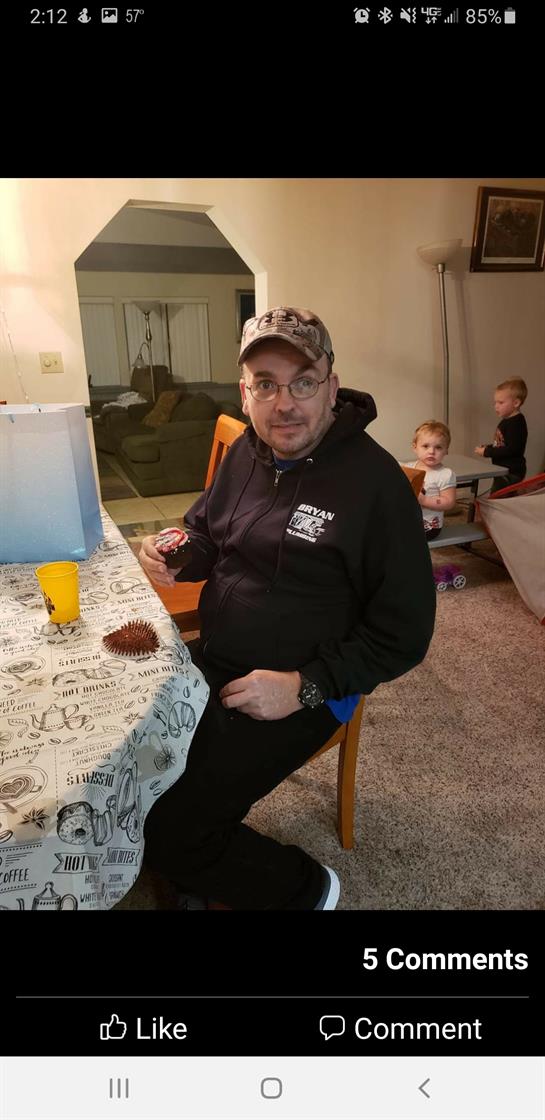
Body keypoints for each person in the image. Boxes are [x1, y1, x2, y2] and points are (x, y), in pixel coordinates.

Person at [138, 307, 436, 910]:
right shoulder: (246, 453)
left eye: (303, 382)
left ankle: (308, 889)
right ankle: (198, 876)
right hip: (217, 656)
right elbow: (208, 532)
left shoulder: (374, 485)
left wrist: (304, 686)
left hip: (307, 685)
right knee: (125, 758)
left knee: (174, 831)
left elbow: (404, 634)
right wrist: (178, 552)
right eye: (266, 384)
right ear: (245, 392)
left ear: (331, 386)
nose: (285, 404)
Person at [403, 421, 457, 541]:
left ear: (446, 450)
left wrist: (424, 500)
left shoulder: (445, 474)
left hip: (429, 527)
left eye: (438, 447)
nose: (431, 451)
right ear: (415, 447)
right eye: (425, 446)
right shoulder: (409, 468)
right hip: (407, 519)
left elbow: (449, 502)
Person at [474, 378, 528, 494]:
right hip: (502, 471)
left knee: (497, 498)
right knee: (498, 497)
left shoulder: (516, 423)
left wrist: (487, 452)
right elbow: (502, 444)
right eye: (495, 403)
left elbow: (512, 449)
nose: (496, 406)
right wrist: (489, 447)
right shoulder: (506, 421)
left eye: (501, 403)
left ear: (516, 403)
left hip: (511, 472)